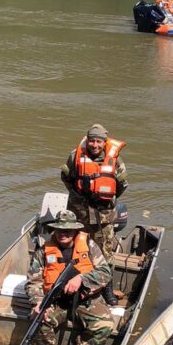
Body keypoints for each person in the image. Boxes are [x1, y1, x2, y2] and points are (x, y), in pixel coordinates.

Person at [25, 210, 115, 345]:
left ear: (75, 231)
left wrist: (81, 278)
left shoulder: (89, 245)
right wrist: (38, 302)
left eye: (67, 230)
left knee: (106, 325)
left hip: (85, 300)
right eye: (59, 230)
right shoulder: (43, 251)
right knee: (38, 318)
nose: (63, 234)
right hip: (56, 301)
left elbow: (105, 273)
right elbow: (33, 281)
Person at [60, 124, 128, 305]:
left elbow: (121, 185)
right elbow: (66, 178)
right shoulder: (75, 156)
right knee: (76, 250)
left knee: (105, 253)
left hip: (103, 216)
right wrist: (78, 197)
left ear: (105, 142)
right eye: (92, 140)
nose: (95, 145)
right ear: (87, 140)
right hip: (79, 215)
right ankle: (73, 282)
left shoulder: (116, 161)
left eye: (99, 141)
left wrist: (104, 199)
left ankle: (106, 288)